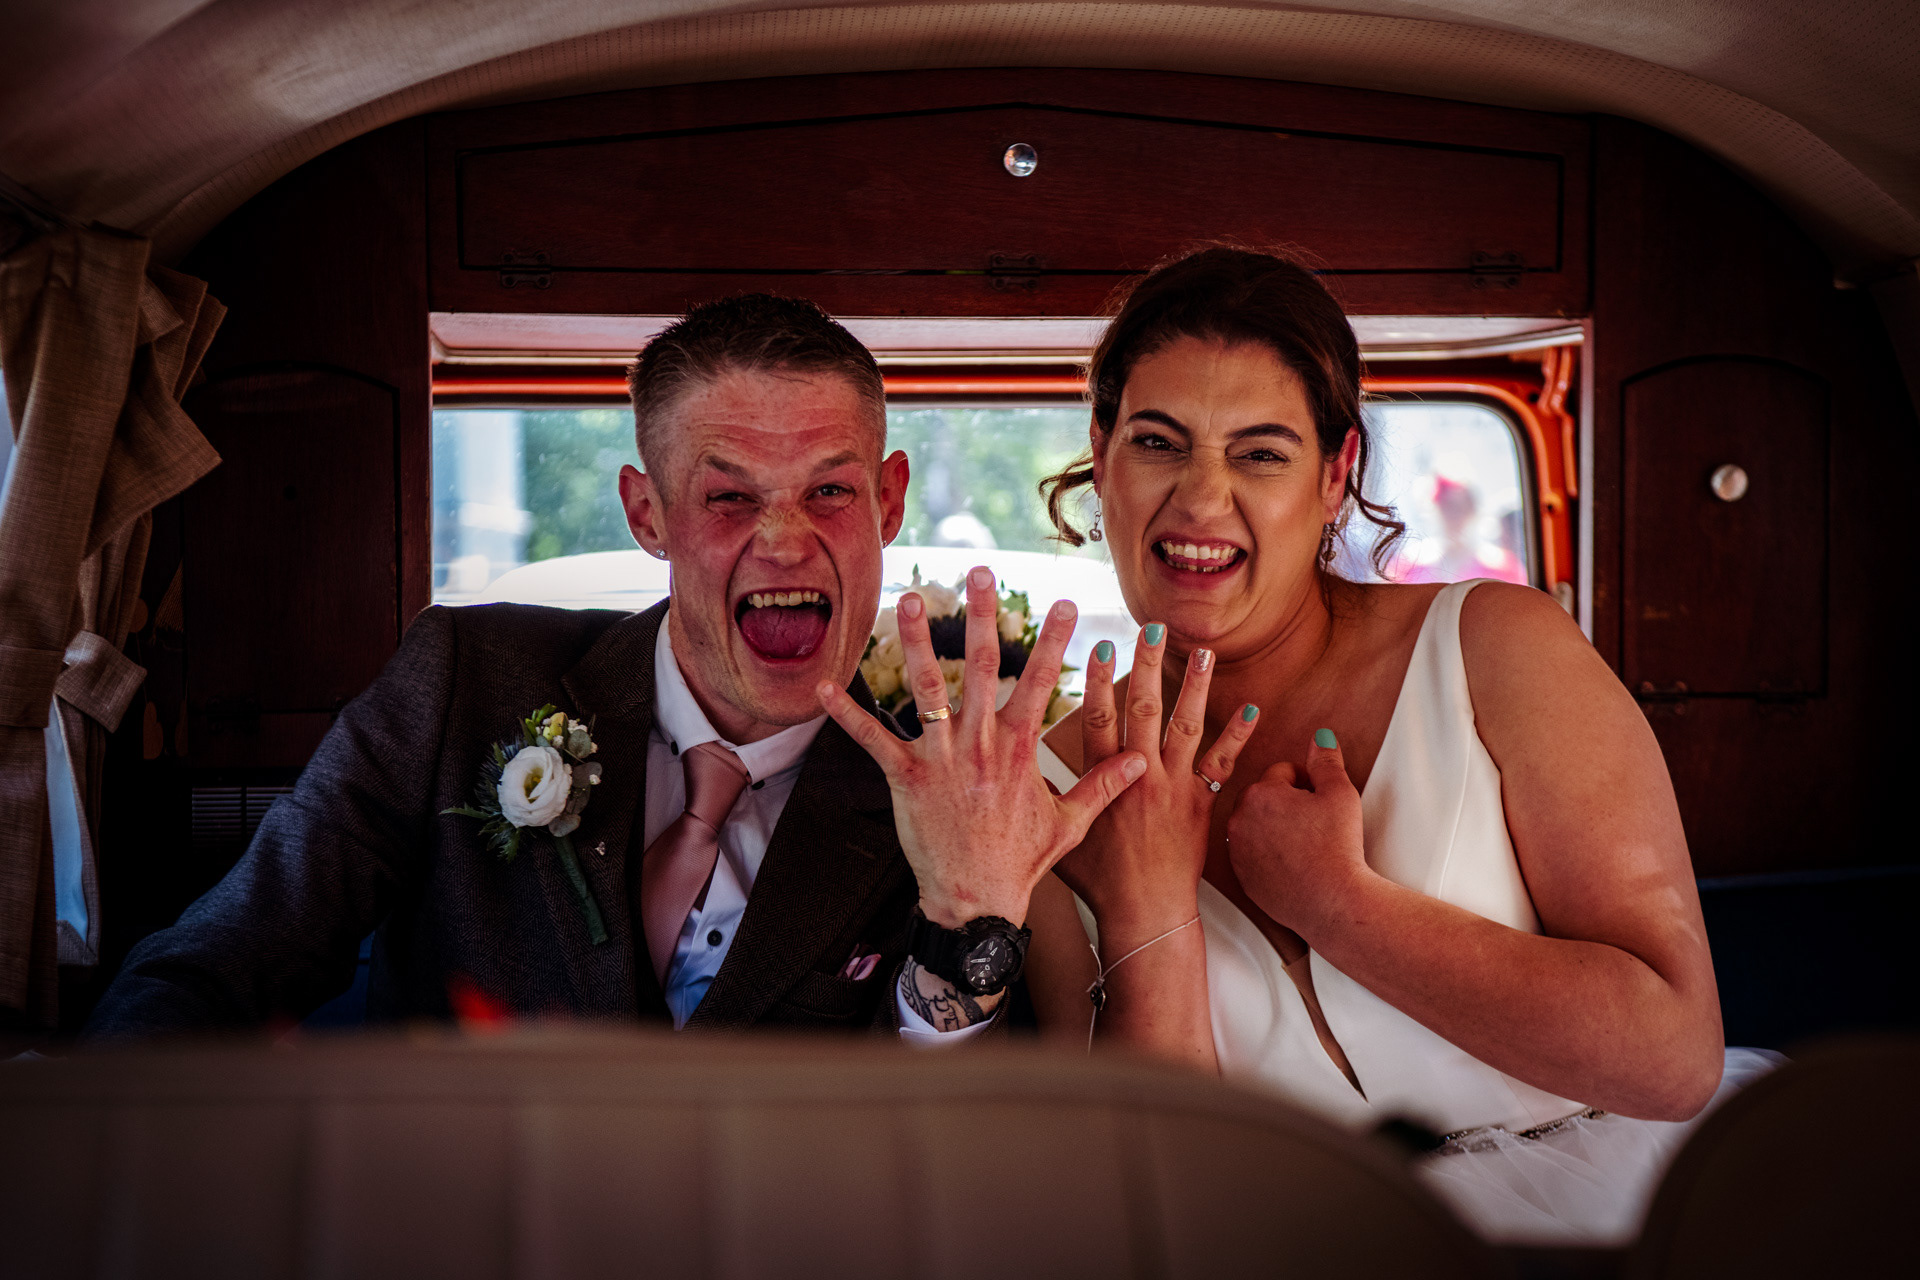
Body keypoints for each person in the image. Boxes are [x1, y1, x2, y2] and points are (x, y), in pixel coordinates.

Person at [86, 295, 1140, 1042]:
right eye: (729, 497)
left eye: (829, 491)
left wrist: (968, 920)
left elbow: (942, 1149)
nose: (784, 540)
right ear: (648, 513)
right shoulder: (463, 681)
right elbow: (224, 959)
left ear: (889, 501)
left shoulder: (943, 796)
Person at [1013, 247, 1779, 1245]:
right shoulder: (1047, 790)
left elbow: (1671, 1059)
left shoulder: (1496, 647)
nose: (1200, 501)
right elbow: (1148, 1175)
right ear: (1102, 452)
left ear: (1336, 475)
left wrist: (1343, 906)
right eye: (1159, 442)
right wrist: (1148, 906)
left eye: (1260, 453)